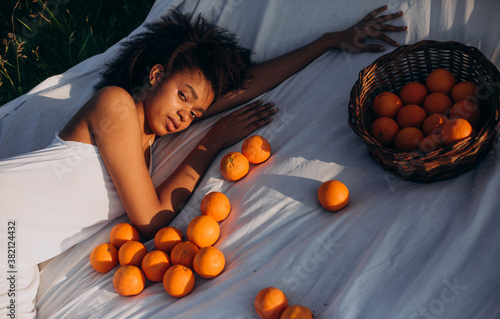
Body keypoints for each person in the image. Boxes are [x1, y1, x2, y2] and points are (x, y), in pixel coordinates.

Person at [0, 5, 406, 266]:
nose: (186, 116)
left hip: (18, 252)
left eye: (196, 112)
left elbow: (248, 86)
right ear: (155, 75)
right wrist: (211, 142)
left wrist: (330, 41)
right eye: (183, 97)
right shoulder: (117, 105)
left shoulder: (150, 131)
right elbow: (150, 221)